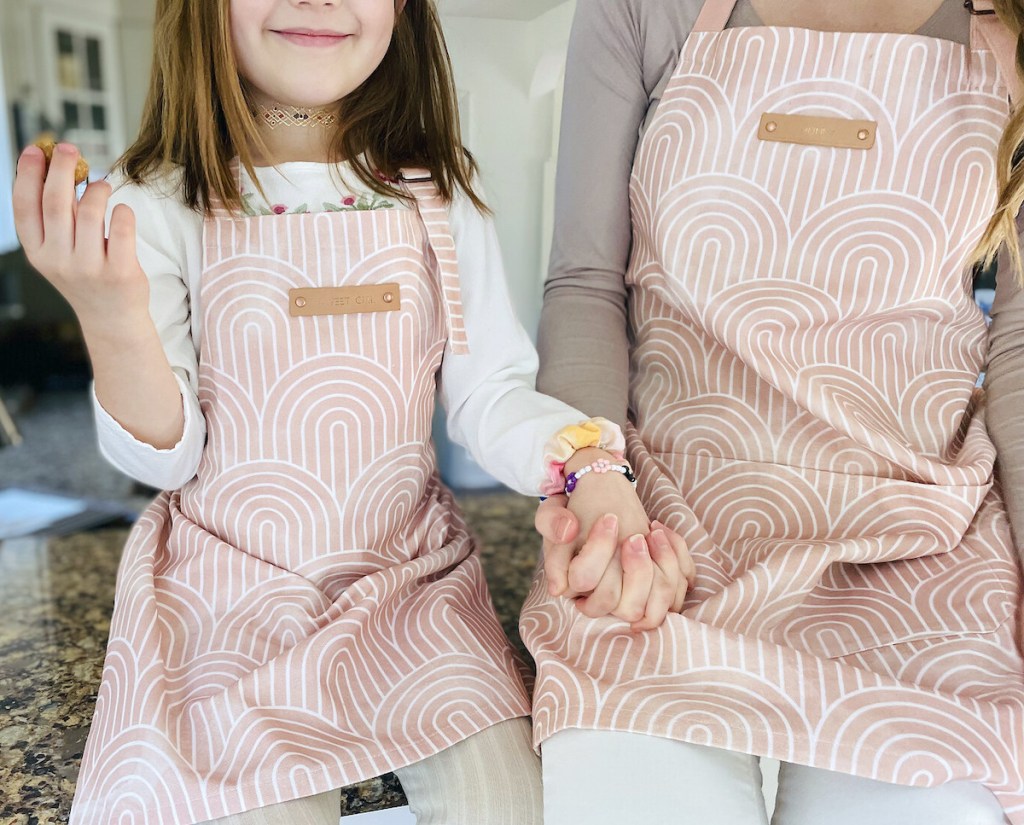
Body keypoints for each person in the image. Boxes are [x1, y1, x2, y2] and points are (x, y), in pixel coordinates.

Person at [10, 0, 685, 822]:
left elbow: (492, 396)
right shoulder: (150, 204)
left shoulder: (439, 194)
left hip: (412, 587)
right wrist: (111, 318)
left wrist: (588, 464)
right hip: (227, 601)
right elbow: (167, 460)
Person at [526, 0, 1024, 822]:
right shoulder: (641, 10)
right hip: (663, 539)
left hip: (919, 553)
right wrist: (594, 477)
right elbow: (585, 284)